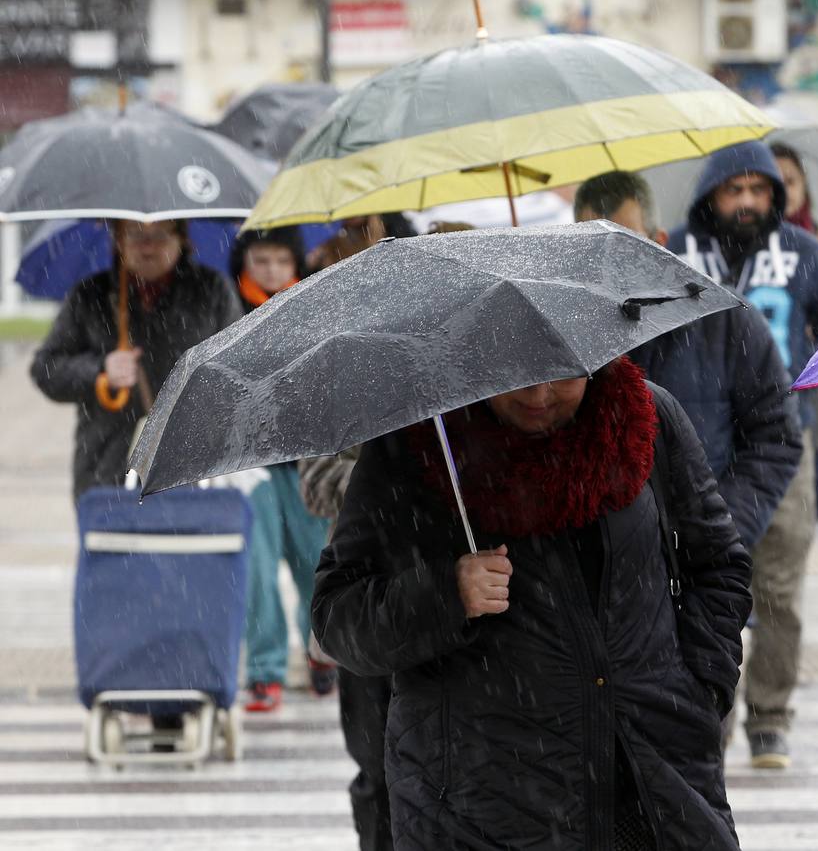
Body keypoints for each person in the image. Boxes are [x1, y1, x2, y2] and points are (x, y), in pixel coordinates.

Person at [311, 359, 752, 850]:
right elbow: (338, 611)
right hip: (479, 803)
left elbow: (716, 563)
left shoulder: (644, 419)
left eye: (562, 375)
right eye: (515, 375)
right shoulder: (419, 443)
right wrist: (445, 594)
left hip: (654, 787)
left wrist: (701, 688)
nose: (539, 395)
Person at [667, 140, 818, 769]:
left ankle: (770, 717)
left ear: (776, 197)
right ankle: (707, 714)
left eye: (759, 190)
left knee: (778, 593)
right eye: (734, 189)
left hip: (782, 443)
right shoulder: (672, 255)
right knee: (701, 588)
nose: (747, 201)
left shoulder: (803, 253)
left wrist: (805, 373)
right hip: (691, 447)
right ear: (710, 196)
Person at [574, 170, 803, 553]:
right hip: (605, 563)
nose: (607, 262)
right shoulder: (569, 332)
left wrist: (721, 529)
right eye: (590, 246)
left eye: (624, 243)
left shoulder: (725, 320)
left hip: (703, 558)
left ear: (659, 241)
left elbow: (774, 436)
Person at [296, 211, 422, 851]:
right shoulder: (335, 370)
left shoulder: (444, 361)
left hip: (440, 597)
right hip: (363, 599)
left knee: (438, 771)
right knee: (374, 769)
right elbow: (316, 481)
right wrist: (390, 489)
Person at [32, 219, 241, 499]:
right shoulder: (90, 294)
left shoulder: (212, 290)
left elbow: (240, 370)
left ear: (182, 239)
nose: (148, 247)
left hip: (193, 470)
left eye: (160, 235)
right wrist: (99, 370)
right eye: (134, 235)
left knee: (190, 541)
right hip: (105, 471)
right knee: (111, 542)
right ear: (118, 240)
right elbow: (46, 368)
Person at [229, 227, 336, 712]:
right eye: (260, 260)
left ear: (296, 263)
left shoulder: (313, 304)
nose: (271, 270)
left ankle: (320, 651)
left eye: (280, 260)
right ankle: (265, 670)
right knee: (257, 569)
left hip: (306, 459)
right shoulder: (231, 310)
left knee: (315, 562)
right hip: (251, 464)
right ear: (245, 262)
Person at [770, 142, 818, 520]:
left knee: (810, 494)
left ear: (803, 187)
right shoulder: (745, 247)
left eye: (791, 180)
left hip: (814, 389)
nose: (783, 190)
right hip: (771, 392)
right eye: (775, 181)